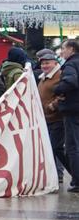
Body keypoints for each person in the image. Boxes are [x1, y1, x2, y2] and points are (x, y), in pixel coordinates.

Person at [35, 50, 67, 185]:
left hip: (57, 118)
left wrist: (53, 106)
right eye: (42, 64)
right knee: (51, 148)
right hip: (46, 119)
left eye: (47, 63)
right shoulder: (43, 77)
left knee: (55, 148)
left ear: (55, 63)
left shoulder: (60, 75)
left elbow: (64, 93)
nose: (44, 66)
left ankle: (66, 173)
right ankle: (54, 175)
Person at [54, 37, 79, 193]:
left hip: (72, 110)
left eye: (63, 48)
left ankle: (77, 181)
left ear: (72, 50)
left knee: (72, 147)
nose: (61, 51)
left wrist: (57, 89)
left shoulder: (70, 64)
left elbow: (70, 82)